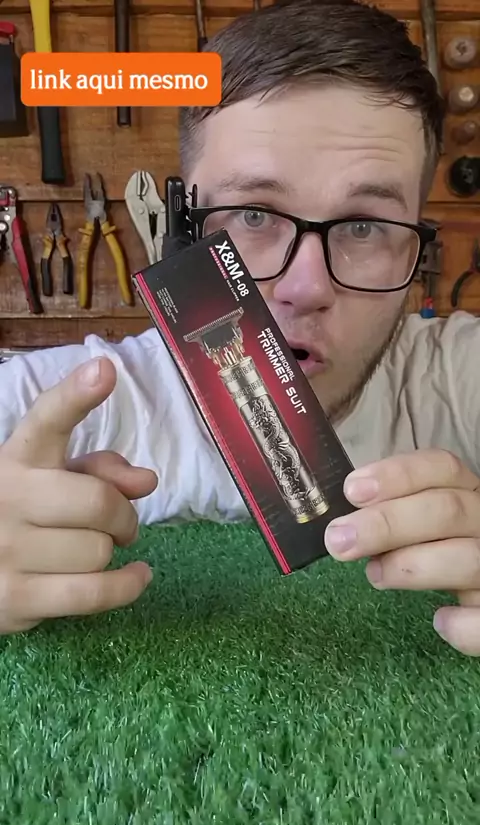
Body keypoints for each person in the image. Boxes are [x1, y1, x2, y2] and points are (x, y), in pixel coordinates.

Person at [1, 0, 479, 654]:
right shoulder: (48, 408)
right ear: (182, 224)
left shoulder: (460, 378)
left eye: (365, 226)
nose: (307, 288)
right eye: (254, 215)